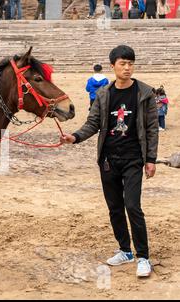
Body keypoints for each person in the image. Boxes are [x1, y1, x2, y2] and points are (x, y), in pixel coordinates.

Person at [61, 45, 158, 278]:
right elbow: (92, 123)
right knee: (115, 207)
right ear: (113, 66)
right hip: (108, 160)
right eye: (123, 63)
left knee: (132, 205)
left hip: (134, 159)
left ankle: (143, 256)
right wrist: (74, 137)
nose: (127, 68)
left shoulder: (145, 93)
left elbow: (153, 128)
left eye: (131, 64)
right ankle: (125, 250)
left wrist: (151, 159)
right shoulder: (104, 94)